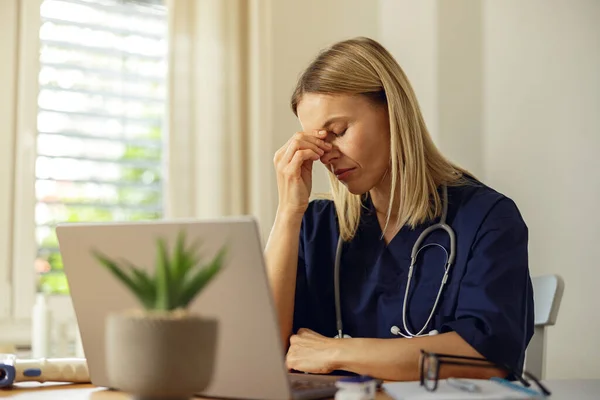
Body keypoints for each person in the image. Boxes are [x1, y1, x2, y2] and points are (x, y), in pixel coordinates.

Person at [264, 37, 534, 382]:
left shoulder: (486, 218)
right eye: (316, 141)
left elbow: (487, 355)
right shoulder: (315, 225)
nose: (325, 154)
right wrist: (288, 212)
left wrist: (337, 351)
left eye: (338, 131)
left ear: (393, 112)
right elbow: (264, 350)